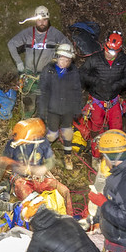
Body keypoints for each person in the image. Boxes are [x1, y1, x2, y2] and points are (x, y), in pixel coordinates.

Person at [0, 117, 73, 215]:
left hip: (40, 179)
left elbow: (48, 162)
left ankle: (69, 220)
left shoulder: (41, 144)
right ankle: (40, 222)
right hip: (22, 182)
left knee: (65, 191)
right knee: (35, 203)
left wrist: (44, 171)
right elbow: (5, 167)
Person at [7, 6, 72, 117]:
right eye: (39, 20)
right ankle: (25, 129)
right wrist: (18, 62)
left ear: (48, 20)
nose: (42, 23)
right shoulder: (27, 33)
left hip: (46, 76)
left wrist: (60, 61)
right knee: (28, 106)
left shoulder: (55, 34)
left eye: (44, 20)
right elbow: (11, 44)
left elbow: (69, 48)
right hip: (29, 76)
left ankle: (45, 131)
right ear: (35, 20)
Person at [80, 31, 126, 145]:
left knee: (117, 129)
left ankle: (115, 155)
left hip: (113, 100)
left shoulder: (123, 60)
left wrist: (117, 85)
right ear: (105, 46)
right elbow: (82, 73)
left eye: (113, 52)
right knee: (96, 129)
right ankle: (96, 155)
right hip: (97, 101)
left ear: (119, 51)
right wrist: (96, 82)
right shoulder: (95, 59)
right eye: (108, 51)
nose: (109, 54)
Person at [36, 43, 82, 171]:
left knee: (68, 133)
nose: (64, 62)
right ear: (57, 57)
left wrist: (78, 108)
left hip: (68, 108)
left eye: (67, 60)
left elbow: (77, 90)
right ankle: (43, 152)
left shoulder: (73, 72)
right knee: (52, 134)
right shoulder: (48, 70)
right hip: (53, 109)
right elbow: (43, 92)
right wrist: (42, 111)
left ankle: (67, 156)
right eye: (62, 59)